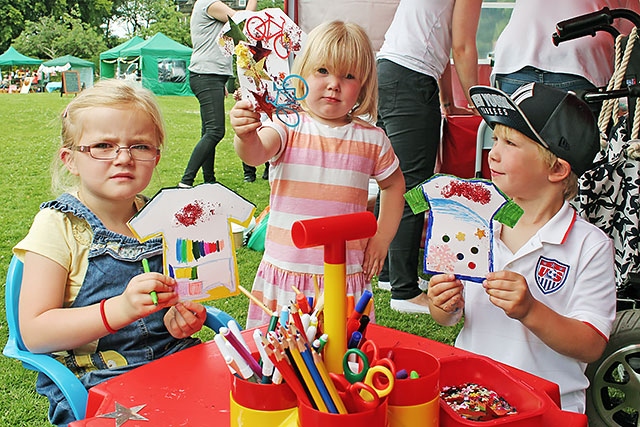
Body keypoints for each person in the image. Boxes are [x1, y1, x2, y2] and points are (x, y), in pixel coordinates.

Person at [13, 79, 207, 426]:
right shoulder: (58, 226)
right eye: (103, 145)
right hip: (97, 380)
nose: (123, 158)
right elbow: (35, 333)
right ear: (69, 159)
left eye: (140, 146)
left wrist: (179, 319)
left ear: (156, 156)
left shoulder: (162, 217)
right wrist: (120, 308)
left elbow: (173, 300)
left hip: (173, 358)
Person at [427, 83, 616, 413]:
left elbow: (590, 344)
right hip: (471, 397)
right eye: (495, 139)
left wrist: (531, 310)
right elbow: (450, 318)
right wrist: (443, 304)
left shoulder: (590, 246)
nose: (493, 152)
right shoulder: (476, 223)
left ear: (556, 169)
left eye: (510, 143)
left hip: (547, 409)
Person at [230, 20, 406, 328]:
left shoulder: (372, 138)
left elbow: (393, 184)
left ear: (363, 85)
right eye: (322, 71)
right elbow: (257, 152)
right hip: (286, 273)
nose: (333, 83)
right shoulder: (287, 125)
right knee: (279, 365)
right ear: (303, 73)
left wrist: (381, 237)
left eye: (348, 75)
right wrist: (246, 136)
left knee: (341, 363)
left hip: (345, 276)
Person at [375, 0, 482, 313]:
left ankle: (389, 272)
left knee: (392, 177)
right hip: (411, 77)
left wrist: (447, 101)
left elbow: (444, 52)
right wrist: (480, 100)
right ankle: (404, 291)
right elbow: (462, 46)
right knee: (411, 185)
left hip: (392, 71)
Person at [178, 0, 258, 187]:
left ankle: (209, 180)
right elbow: (241, 21)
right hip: (206, 75)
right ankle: (185, 182)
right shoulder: (208, 3)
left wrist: (221, 81)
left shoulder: (211, 5)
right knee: (215, 131)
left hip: (211, 76)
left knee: (208, 130)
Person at [491, 1, 640, 99]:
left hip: (516, 55)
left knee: (516, 143)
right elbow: (631, 27)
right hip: (581, 55)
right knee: (584, 143)